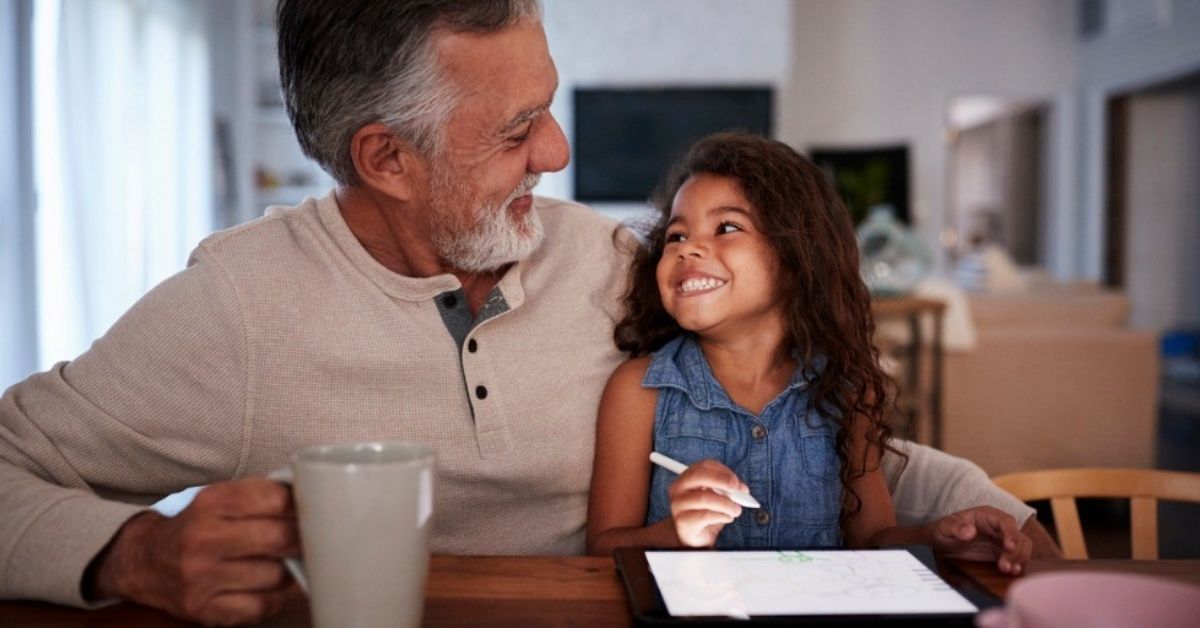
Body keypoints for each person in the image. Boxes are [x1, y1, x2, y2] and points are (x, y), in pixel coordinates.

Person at [0, 2, 1052, 625]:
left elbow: (809, 432)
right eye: (517, 130)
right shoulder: (233, 311)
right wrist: (132, 553)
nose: (557, 154)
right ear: (386, 159)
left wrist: (991, 508)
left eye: (550, 104)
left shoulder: (613, 265)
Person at [587, 133, 1033, 575]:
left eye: (726, 227)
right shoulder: (639, 391)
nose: (688, 248)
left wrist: (935, 538)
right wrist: (674, 536)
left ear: (796, 256)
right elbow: (603, 548)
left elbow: (872, 542)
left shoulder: (845, 391)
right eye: (676, 234)